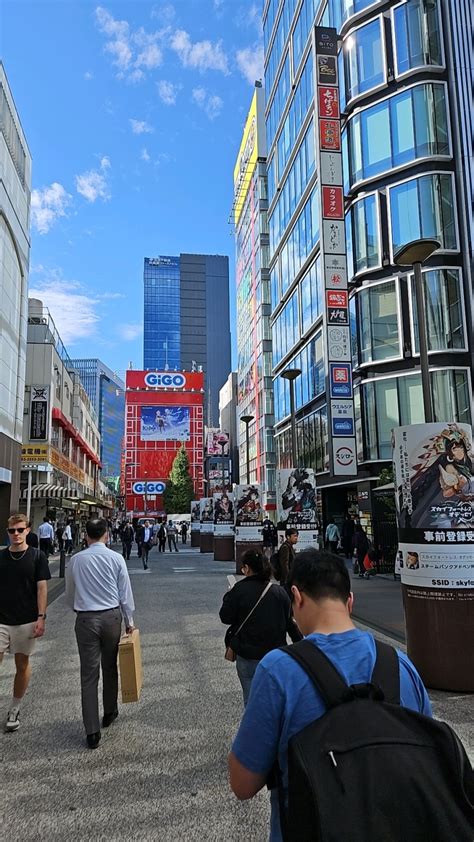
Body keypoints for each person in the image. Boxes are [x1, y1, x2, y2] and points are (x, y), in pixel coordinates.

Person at [228, 549, 432, 840]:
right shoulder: (401, 665)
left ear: (296, 597)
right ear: (350, 601)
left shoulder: (279, 670)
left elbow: (243, 784)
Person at [65, 518, 135, 749]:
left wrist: (79, 607)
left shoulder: (76, 560)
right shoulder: (116, 558)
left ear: (86, 536)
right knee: (109, 666)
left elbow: (69, 593)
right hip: (111, 617)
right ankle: (110, 711)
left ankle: (92, 731)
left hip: (85, 618)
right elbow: (124, 591)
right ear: (107, 534)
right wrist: (129, 620)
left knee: (88, 674)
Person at [220, 550, 302, 705]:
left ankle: (254, 726)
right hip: (275, 654)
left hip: (247, 654)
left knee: (251, 701)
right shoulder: (279, 592)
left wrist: (229, 595)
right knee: (276, 699)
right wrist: (302, 646)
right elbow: (290, 623)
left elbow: (226, 617)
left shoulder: (238, 590)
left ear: (247, 568)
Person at [0, 513, 51, 732]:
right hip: (1, 619)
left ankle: (15, 707)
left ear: (28, 530)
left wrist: (41, 617)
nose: (16, 534)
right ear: (7, 532)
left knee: (22, 664)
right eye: (12, 531)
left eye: (20, 530)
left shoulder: (37, 556)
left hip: (26, 619)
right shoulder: (1, 557)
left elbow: (42, 588)